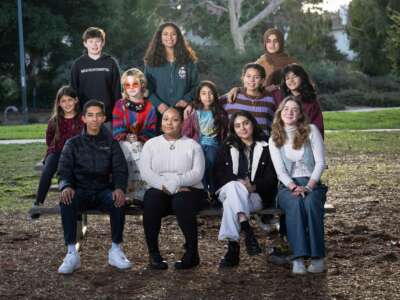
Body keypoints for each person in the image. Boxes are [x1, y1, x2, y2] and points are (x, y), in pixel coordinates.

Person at [57, 100, 131, 274]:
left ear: (104, 118)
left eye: (98, 115)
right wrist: (66, 186)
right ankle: (71, 253)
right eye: (90, 115)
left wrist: (119, 188)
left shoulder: (111, 143)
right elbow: (64, 170)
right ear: (83, 118)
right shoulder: (72, 144)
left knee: (118, 200)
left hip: (103, 191)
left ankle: (115, 250)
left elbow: (120, 170)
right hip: (80, 190)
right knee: (67, 199)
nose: (94, 119)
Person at [139, 107, 207, 270]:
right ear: (161, 122)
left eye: (175, 119)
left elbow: (197, 174)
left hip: (190, 189)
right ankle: (154, 254)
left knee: (182, 200)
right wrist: (169, 186)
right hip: (160, 188)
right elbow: (146, 172)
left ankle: (192, 253)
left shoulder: (192, 145)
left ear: (182, 123)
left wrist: (175, 184)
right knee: (151, 199)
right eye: (166, 119)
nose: (169, 123)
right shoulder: (151, 144)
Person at [269, 96, 327, 274]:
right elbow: (280, 172)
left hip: (312, 183)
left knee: (310, 203)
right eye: (286, 109)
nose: (290, 112)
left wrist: (308, 187)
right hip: (288, 186)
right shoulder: (275, 138)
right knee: (294, 204)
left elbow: (320, 163)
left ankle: (318, 258)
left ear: (301, 114)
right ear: (280, 112)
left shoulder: (311, 131)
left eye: (294, 109)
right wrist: (294, 187)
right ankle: (299, 258)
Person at [214, 111, 277, 267]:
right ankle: (246, 229)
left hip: (255, 195)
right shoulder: (226, 147)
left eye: (245, 123)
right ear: (233, 129)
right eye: (237, 125)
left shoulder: (267, 146)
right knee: (234, 187)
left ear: (253, 124)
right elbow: (218, 175)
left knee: (231, 203)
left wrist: (254, 186)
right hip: (227, 190)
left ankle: (233, 250)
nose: (242, 128)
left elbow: (273, 178)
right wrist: (240, 184)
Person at [31, 86, 83, 216]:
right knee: (47, 170)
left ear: (76, 100)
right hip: (57, 151)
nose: (67, 104)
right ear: (59, 103)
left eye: (70, 100)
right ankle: (38, 202)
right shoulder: (55, 120)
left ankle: (75, 205)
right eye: (63, 101)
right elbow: (49, 139)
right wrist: (52, 152)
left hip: (75, 154)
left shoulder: (82, 119)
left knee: (75, 172)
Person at [112, 68, 157, 200]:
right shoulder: (119, 105)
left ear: (142, 84)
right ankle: (126, 192)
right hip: (123, 142)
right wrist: (125, 136)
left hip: (143, 142)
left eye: (135, 84)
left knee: (137, 147)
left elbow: (151, 129)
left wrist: (139, 137)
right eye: (127, 85)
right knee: (128, 148)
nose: (131, 88)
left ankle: (141, 193)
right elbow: (117, 128)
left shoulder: (149, 106)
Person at [226, 28, 297, 102]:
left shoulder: (292, 63)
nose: (272, 44)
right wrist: (237, 89)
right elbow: (249, 85)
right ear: (265, 43)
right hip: (262, 102)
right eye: (268, 41)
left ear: (281, 42)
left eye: (275, 41)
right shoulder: (260, 63)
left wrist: (278, 88)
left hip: (287, 104)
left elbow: (304, 85)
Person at [182, 80, 228, 196]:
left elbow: (224, 131)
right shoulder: (194, 113)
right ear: (199, 96)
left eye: (210, 93)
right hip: (198, 144)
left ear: (215, 95)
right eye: (204, 93)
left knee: (210, 162)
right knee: (198, 164)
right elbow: (187, 132)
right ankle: (202, 190)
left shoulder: (220, 113)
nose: (207, 96)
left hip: (213, 144)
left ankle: (211, 190)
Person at [144, 22, 199, 116]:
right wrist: (158, 104)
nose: (169, 37)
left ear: (178, 38)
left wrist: (186, 99)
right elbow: (147, 88)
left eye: (173, 34)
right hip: (159, 112)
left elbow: (196, 86)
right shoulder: (151, 62)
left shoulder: (188, 61)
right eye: (165, 34)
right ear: (160, 38)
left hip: (183, 112)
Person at [70, 27, 121, 125]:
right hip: (84, 117)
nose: (94, 44)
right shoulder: (78, 64)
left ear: (103, 43)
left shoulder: (111, 63)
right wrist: (77, 114)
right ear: (85, 43)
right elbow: (73, 92)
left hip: (107, 117)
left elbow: (117, 92)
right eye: (91, 41)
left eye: (97, 41)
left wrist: (117, 115)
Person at [222, 63, 276, 138]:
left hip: (262, 144)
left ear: (262, 80)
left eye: (256, 77)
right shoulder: (233, 95)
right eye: (248, 76)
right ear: (243, 78)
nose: (252, 80)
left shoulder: (270, 99)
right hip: (235, 144)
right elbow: (209, 103)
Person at [277, 63, 324, 138]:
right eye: (287, 78)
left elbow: (318, 128)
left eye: (294, 76)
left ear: (302, 78)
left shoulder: (311, 101)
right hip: (283, 140)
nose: (291, 80)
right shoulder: (280, 98)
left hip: (305, 141)